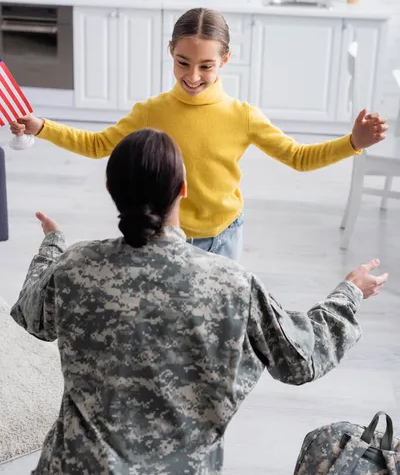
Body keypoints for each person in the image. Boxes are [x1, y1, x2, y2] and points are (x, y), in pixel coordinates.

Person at [11, 129, 388, 475]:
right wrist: (348, 293)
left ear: (111, 188)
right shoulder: (230, 283)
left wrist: (53, 246)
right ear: (184, 188)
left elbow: (32, 315)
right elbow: (301, 359)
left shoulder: (76, 265)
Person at [10, 8, 388, 261]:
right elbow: (98, 146)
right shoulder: (151, 111)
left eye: (206, 66)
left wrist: (353, 143)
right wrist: (42, 127)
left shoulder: (243, 116)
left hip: (224, 238)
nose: (193, 76)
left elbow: (299, 158)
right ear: (170, 51)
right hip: (163, 238)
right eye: (183, 63)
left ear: (225, 59)